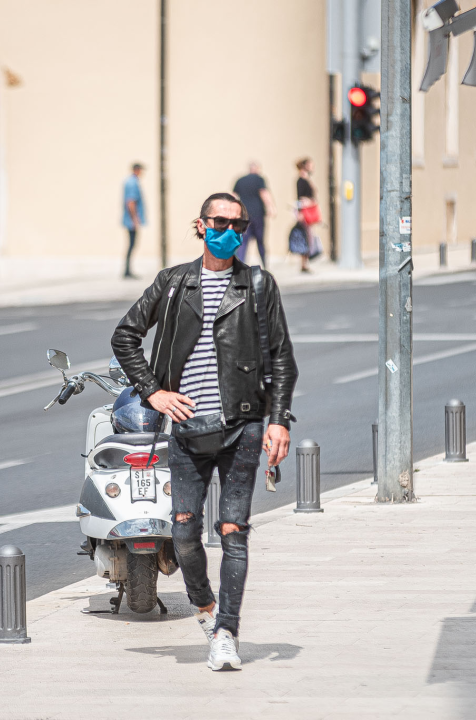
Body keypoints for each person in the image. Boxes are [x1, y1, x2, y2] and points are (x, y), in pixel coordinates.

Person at [110, 192, 298, 672]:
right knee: (184, 531)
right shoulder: (174, 282)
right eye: (220, 222)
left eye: (238, 224)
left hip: (242, 427)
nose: (229, 231)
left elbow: (281, 357)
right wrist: (154, 392)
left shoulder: (258, 284)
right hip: (188, 431)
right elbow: (125, 336)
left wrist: (278, 419)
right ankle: (205, 607)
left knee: (233, 531)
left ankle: (226, 633)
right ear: (201, 225)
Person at [232, 162, 274, 266]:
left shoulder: (240, 180)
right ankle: (264, 263)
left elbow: (233, 196)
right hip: (257, 214)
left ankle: (240, 264)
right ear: (257, 169)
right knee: (260, 240)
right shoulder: (259, 179)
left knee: (243, 241)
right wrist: (271, 207)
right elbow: (264, 193)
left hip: (244, 215)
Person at [122, 163, 146, 278]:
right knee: (132, 244)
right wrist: (135, 219)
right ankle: (127, 270)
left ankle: (127, 270)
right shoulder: (132, 183)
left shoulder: (130, 181)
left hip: (130, 220)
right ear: (137, 170)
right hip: (131, 221)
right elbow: (131, 202)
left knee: (131, 245)